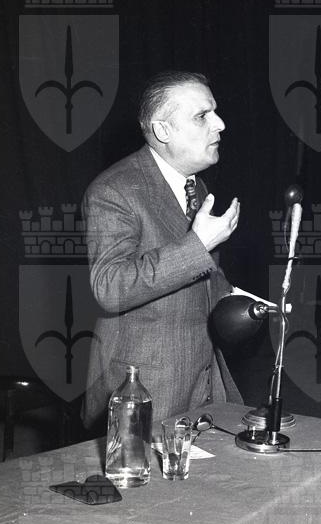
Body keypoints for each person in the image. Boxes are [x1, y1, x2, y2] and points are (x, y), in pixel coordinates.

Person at [81, 70, 243, 433]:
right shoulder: (114, 190)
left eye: (215, 112)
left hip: (202, 382)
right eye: (202, 116)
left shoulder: (196, 187)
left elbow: (200, 278)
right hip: (143, 389)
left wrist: (246, 303)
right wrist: (198, 245)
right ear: (162, 130)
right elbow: (110, 287)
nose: (220, 124)